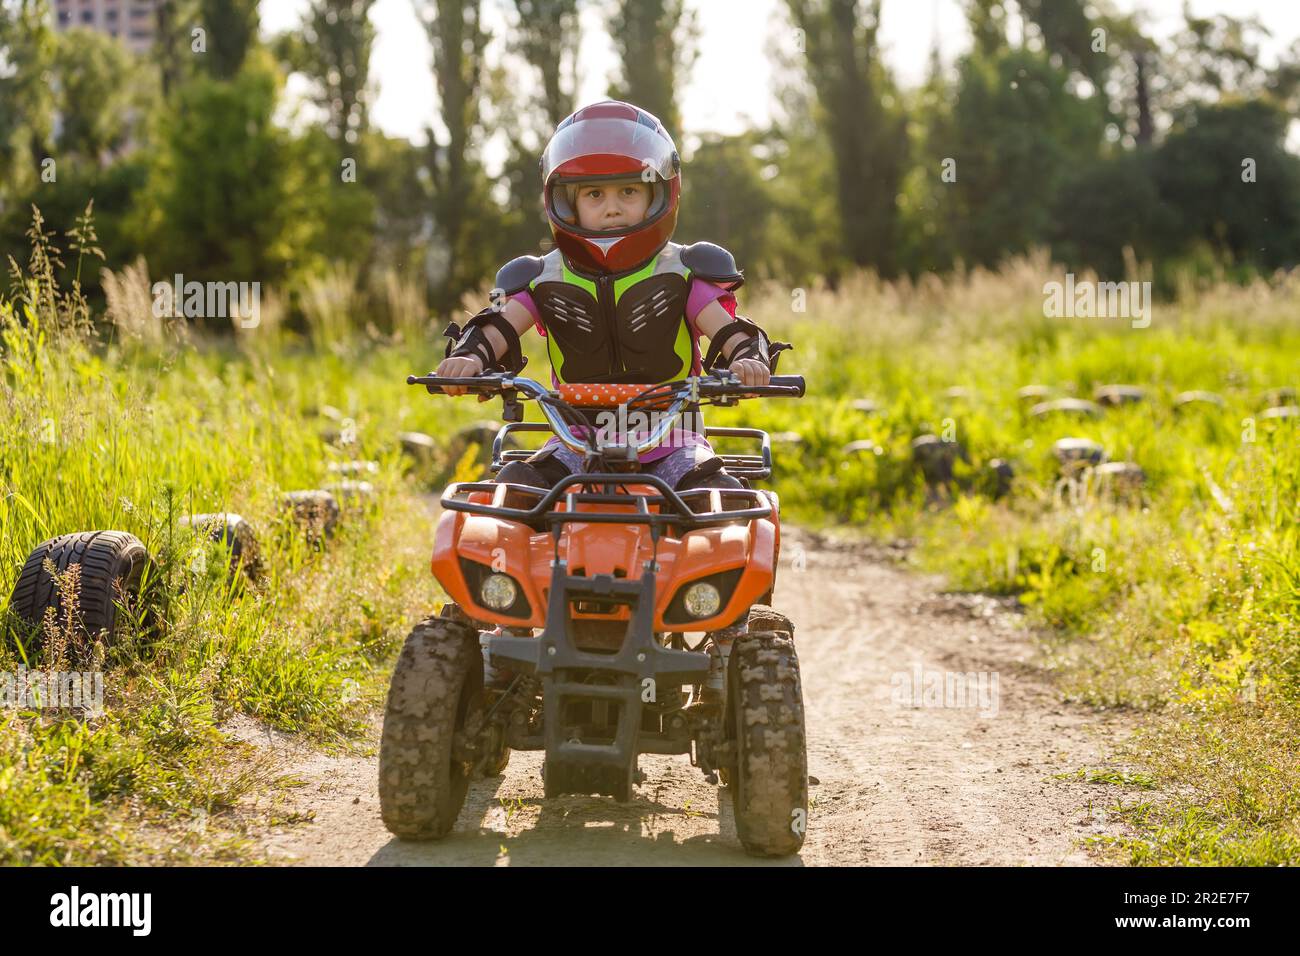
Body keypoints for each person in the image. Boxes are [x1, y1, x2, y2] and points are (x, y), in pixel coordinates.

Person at [434, 100, 790, 491]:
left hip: (675, 444)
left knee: (718, 498)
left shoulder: (685, 271)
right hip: (577, 444)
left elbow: (730, 332)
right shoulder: (538, 276)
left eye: (628, 190)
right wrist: (469, 357)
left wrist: (748, 359)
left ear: (658, 193)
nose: (612, 208)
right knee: (515, 487)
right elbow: (498, 323)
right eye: (594, 195)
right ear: (567, 202)